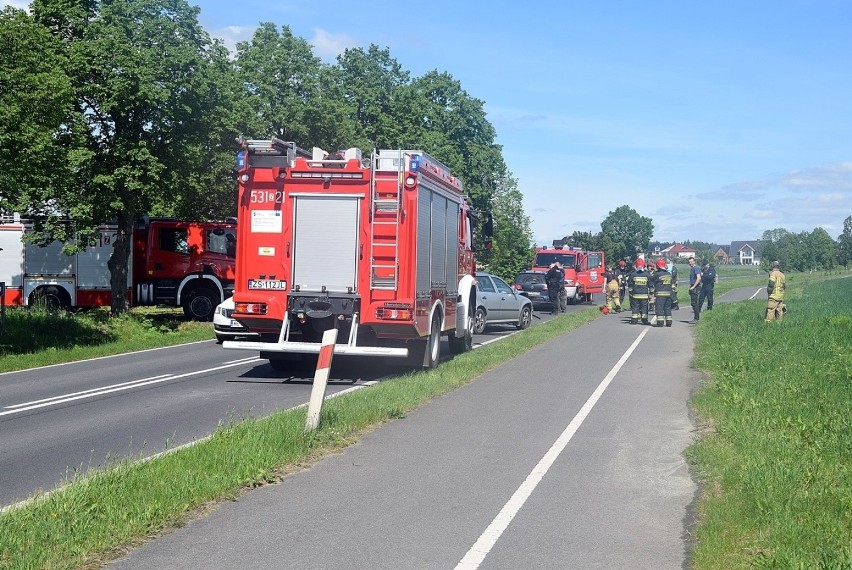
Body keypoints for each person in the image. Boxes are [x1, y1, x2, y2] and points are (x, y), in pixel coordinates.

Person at [626, 258, 651, 325]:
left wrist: (631, 293)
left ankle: (634, 320)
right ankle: (644, 321)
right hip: (644, 296)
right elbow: (651, 285)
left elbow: (630, 284)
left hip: (635, 295)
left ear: (636, 266)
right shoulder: (647, 274)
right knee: (644, 308)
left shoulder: (633, 274)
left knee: (635, 308)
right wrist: (651, 293)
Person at [651, 258, 674, 327]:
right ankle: (669, 322)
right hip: (668, 294)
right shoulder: (668, 274)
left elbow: (652, 280)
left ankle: (660, 323)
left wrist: (653, 272)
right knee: (667, 308)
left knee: (660, 308)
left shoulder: (657, 274)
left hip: (660, 294)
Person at [687, 257, 702, 323]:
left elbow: (698, 278)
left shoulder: (696, 268)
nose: (690, 263)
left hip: (695, 287)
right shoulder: (692, 269)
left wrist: (693, 286)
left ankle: (696, 318)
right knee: (693, 303)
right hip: (693, 286)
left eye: (691, 261)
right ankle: (696, 318)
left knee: (694, 303)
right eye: (689, 262)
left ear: (694, 262)